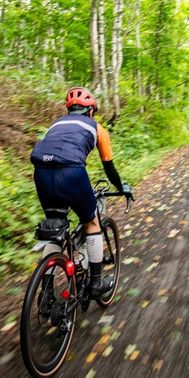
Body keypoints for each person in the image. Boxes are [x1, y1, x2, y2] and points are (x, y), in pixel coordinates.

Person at [30, 87, 132, 296]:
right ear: (91, 111)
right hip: (71, 174)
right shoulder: (97, 128)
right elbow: (108, 167)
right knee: (92, 222)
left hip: (41, 173)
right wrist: (121, 187)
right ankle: (95, 283)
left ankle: (45, 292)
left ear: (69, 110)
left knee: (54, 231)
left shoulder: (55, 125)